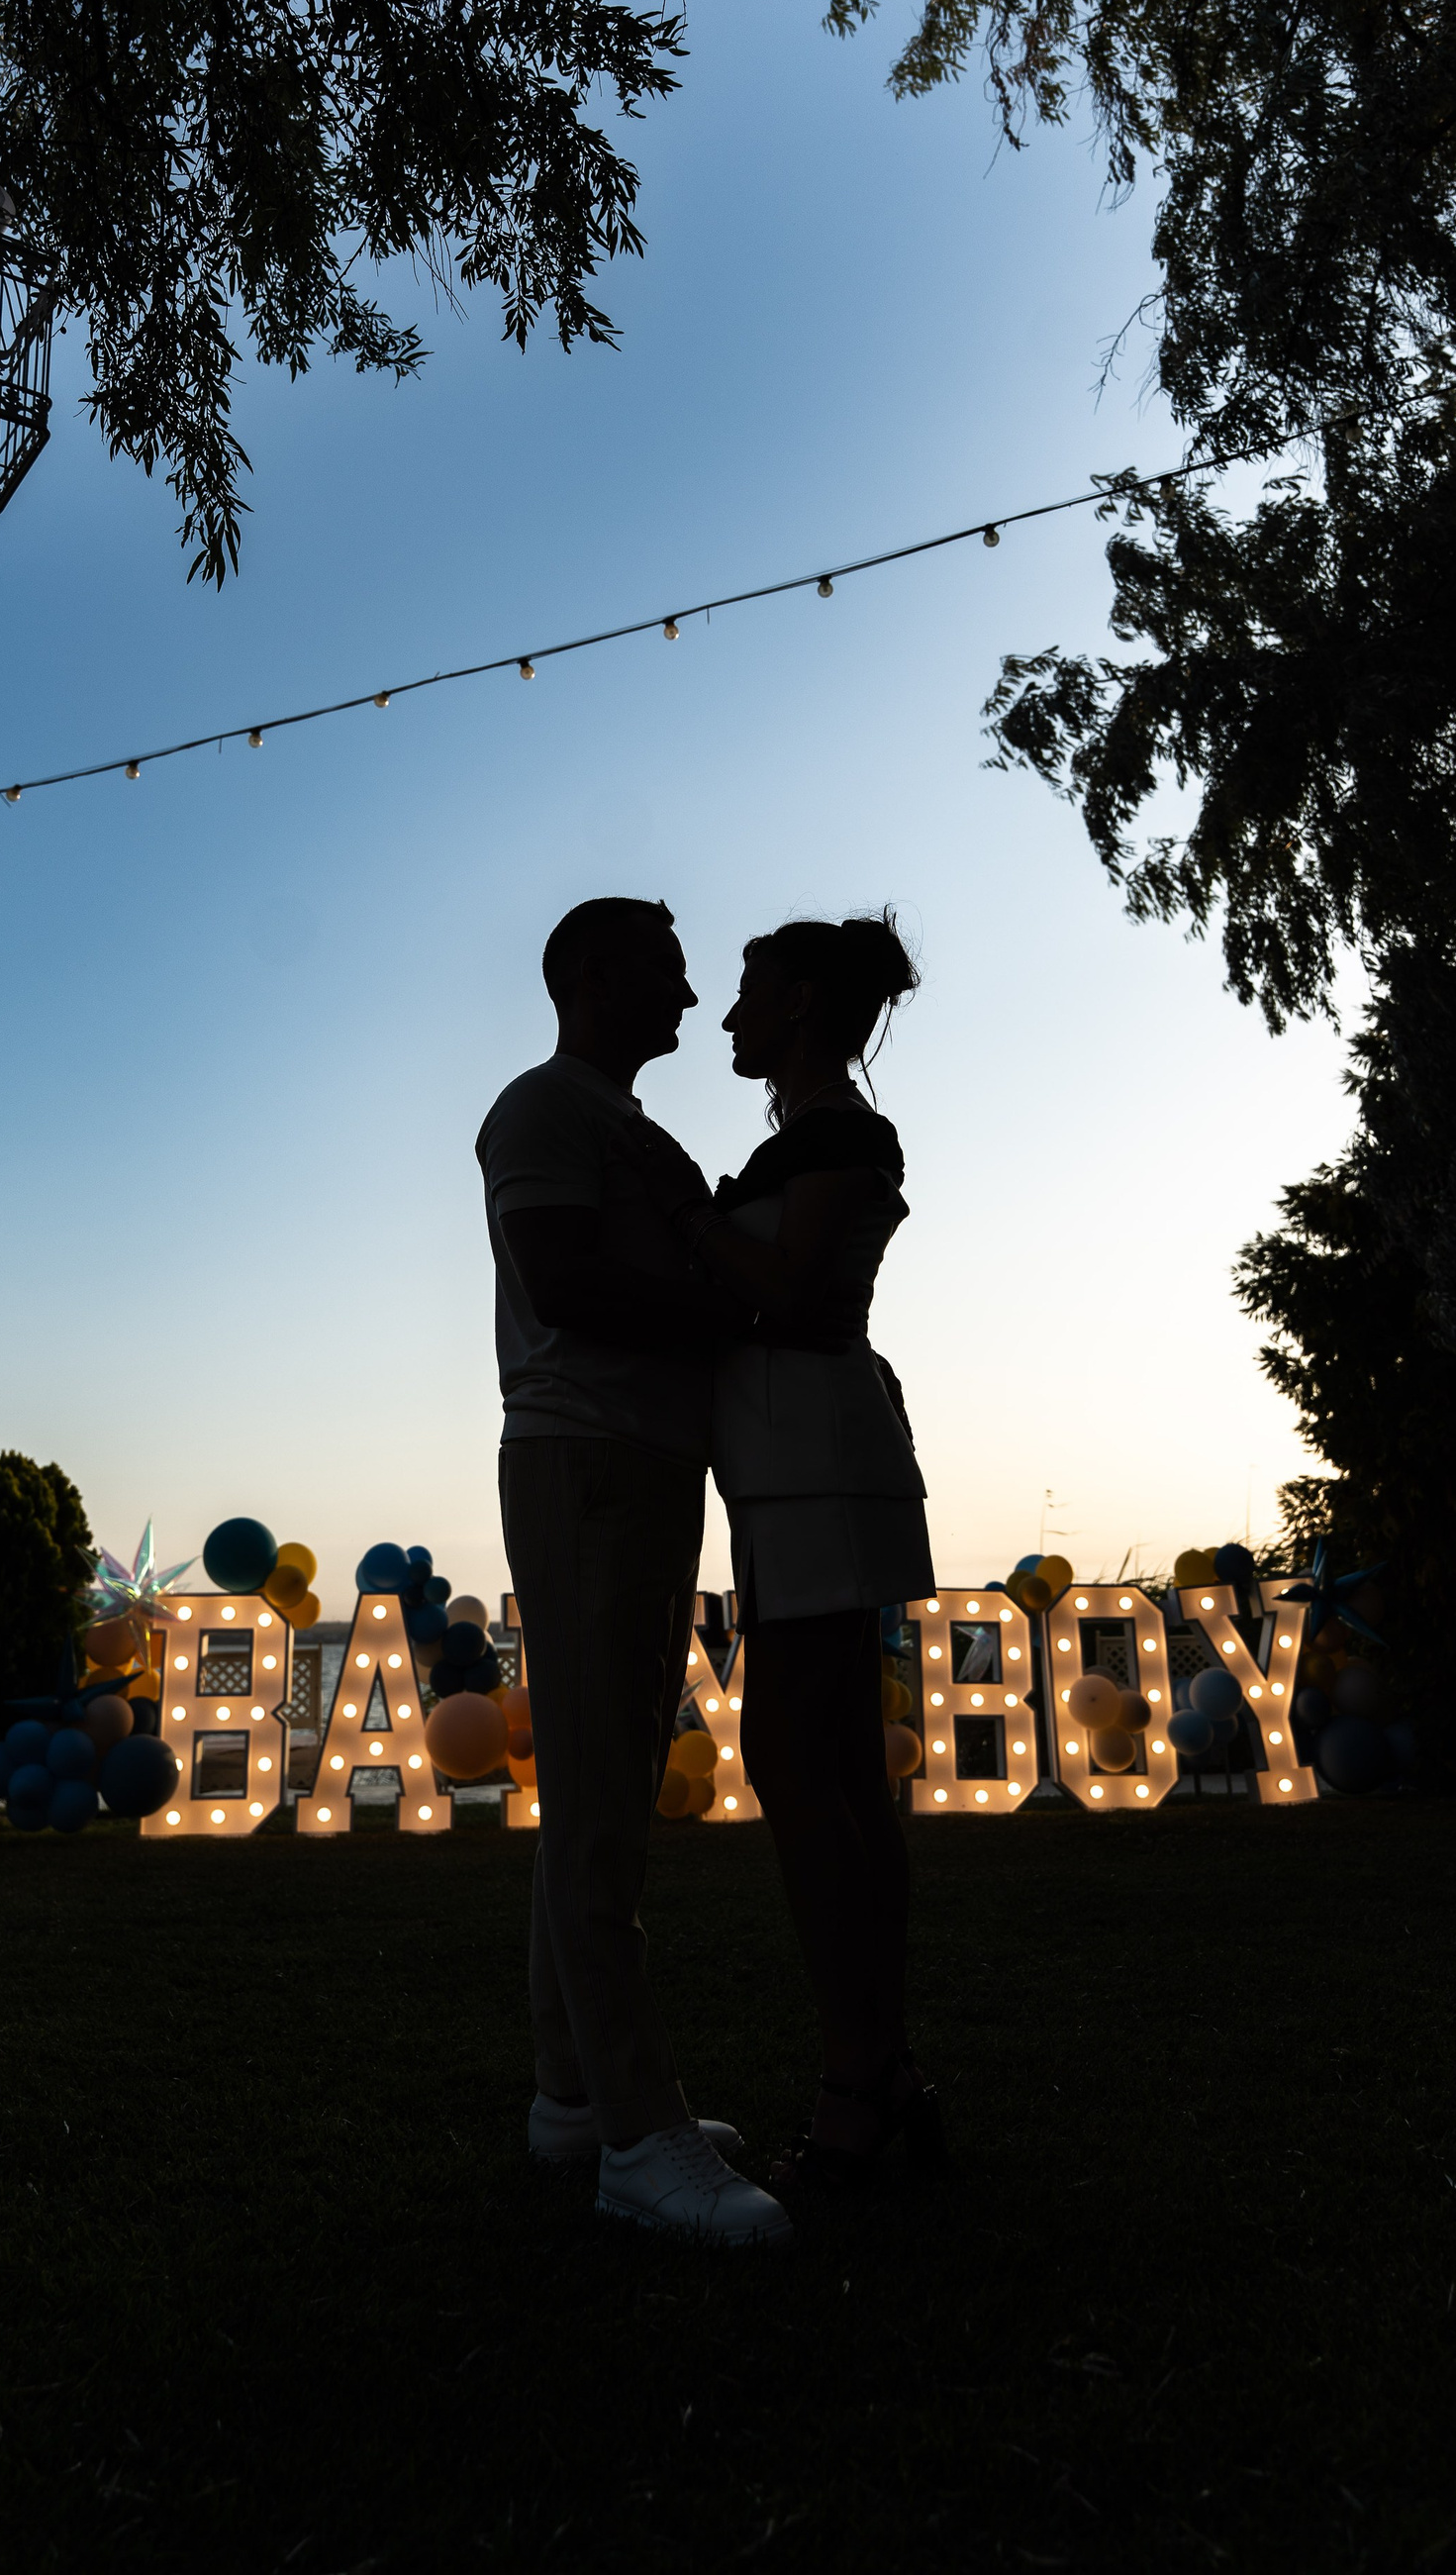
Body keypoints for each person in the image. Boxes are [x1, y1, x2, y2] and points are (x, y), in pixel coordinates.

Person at [475, 896, 794, 2248]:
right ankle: (637, 2133)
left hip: (640, 1465)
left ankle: (573, 2093)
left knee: (599, 1792)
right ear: (593, 977)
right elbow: (565, 1284)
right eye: (668, 970)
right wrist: (730, 1304)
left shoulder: (614, 1124)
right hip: (587, 1462)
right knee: (602, 1799)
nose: (689, 996)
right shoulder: (545, 1111)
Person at [622, 912, 944, 2203]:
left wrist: (683, 1211)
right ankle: (882, 2070)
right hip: (792, 1473)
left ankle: (856, 2083)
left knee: (806, 1769)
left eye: (750, 993)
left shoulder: (842, 1137)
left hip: (819, 1468)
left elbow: (799, 1294)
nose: (729, 1016)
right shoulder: (808, 1139)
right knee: (839, 1772)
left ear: (802, 1001)